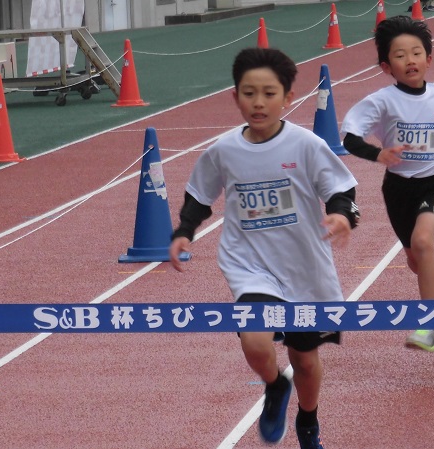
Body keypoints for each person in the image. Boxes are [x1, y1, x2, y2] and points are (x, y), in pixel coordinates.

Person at [169, 47, 360, 449]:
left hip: (305, 266)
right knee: (255, 341)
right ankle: (274, 386)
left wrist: (342, 215)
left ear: (288, 98)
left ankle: (308, 422)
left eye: (269, 93)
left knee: (305, 360)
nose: (258, 102)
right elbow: (200, 194)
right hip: (249, 264)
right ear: (235, 96)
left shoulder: (305, 144)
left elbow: (340, 188)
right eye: (248, 92)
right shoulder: (223, 150)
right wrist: (184, 230)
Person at [340, 16, 434, 353]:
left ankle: (430, 324)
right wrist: (377, 154)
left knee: (424, 242)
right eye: (400, 55)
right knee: (414, 259)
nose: (410, 60)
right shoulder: (382, 101)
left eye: (417, 53)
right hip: (397, 189)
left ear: (429, 59)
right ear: (385, 66)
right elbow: (349, 138)